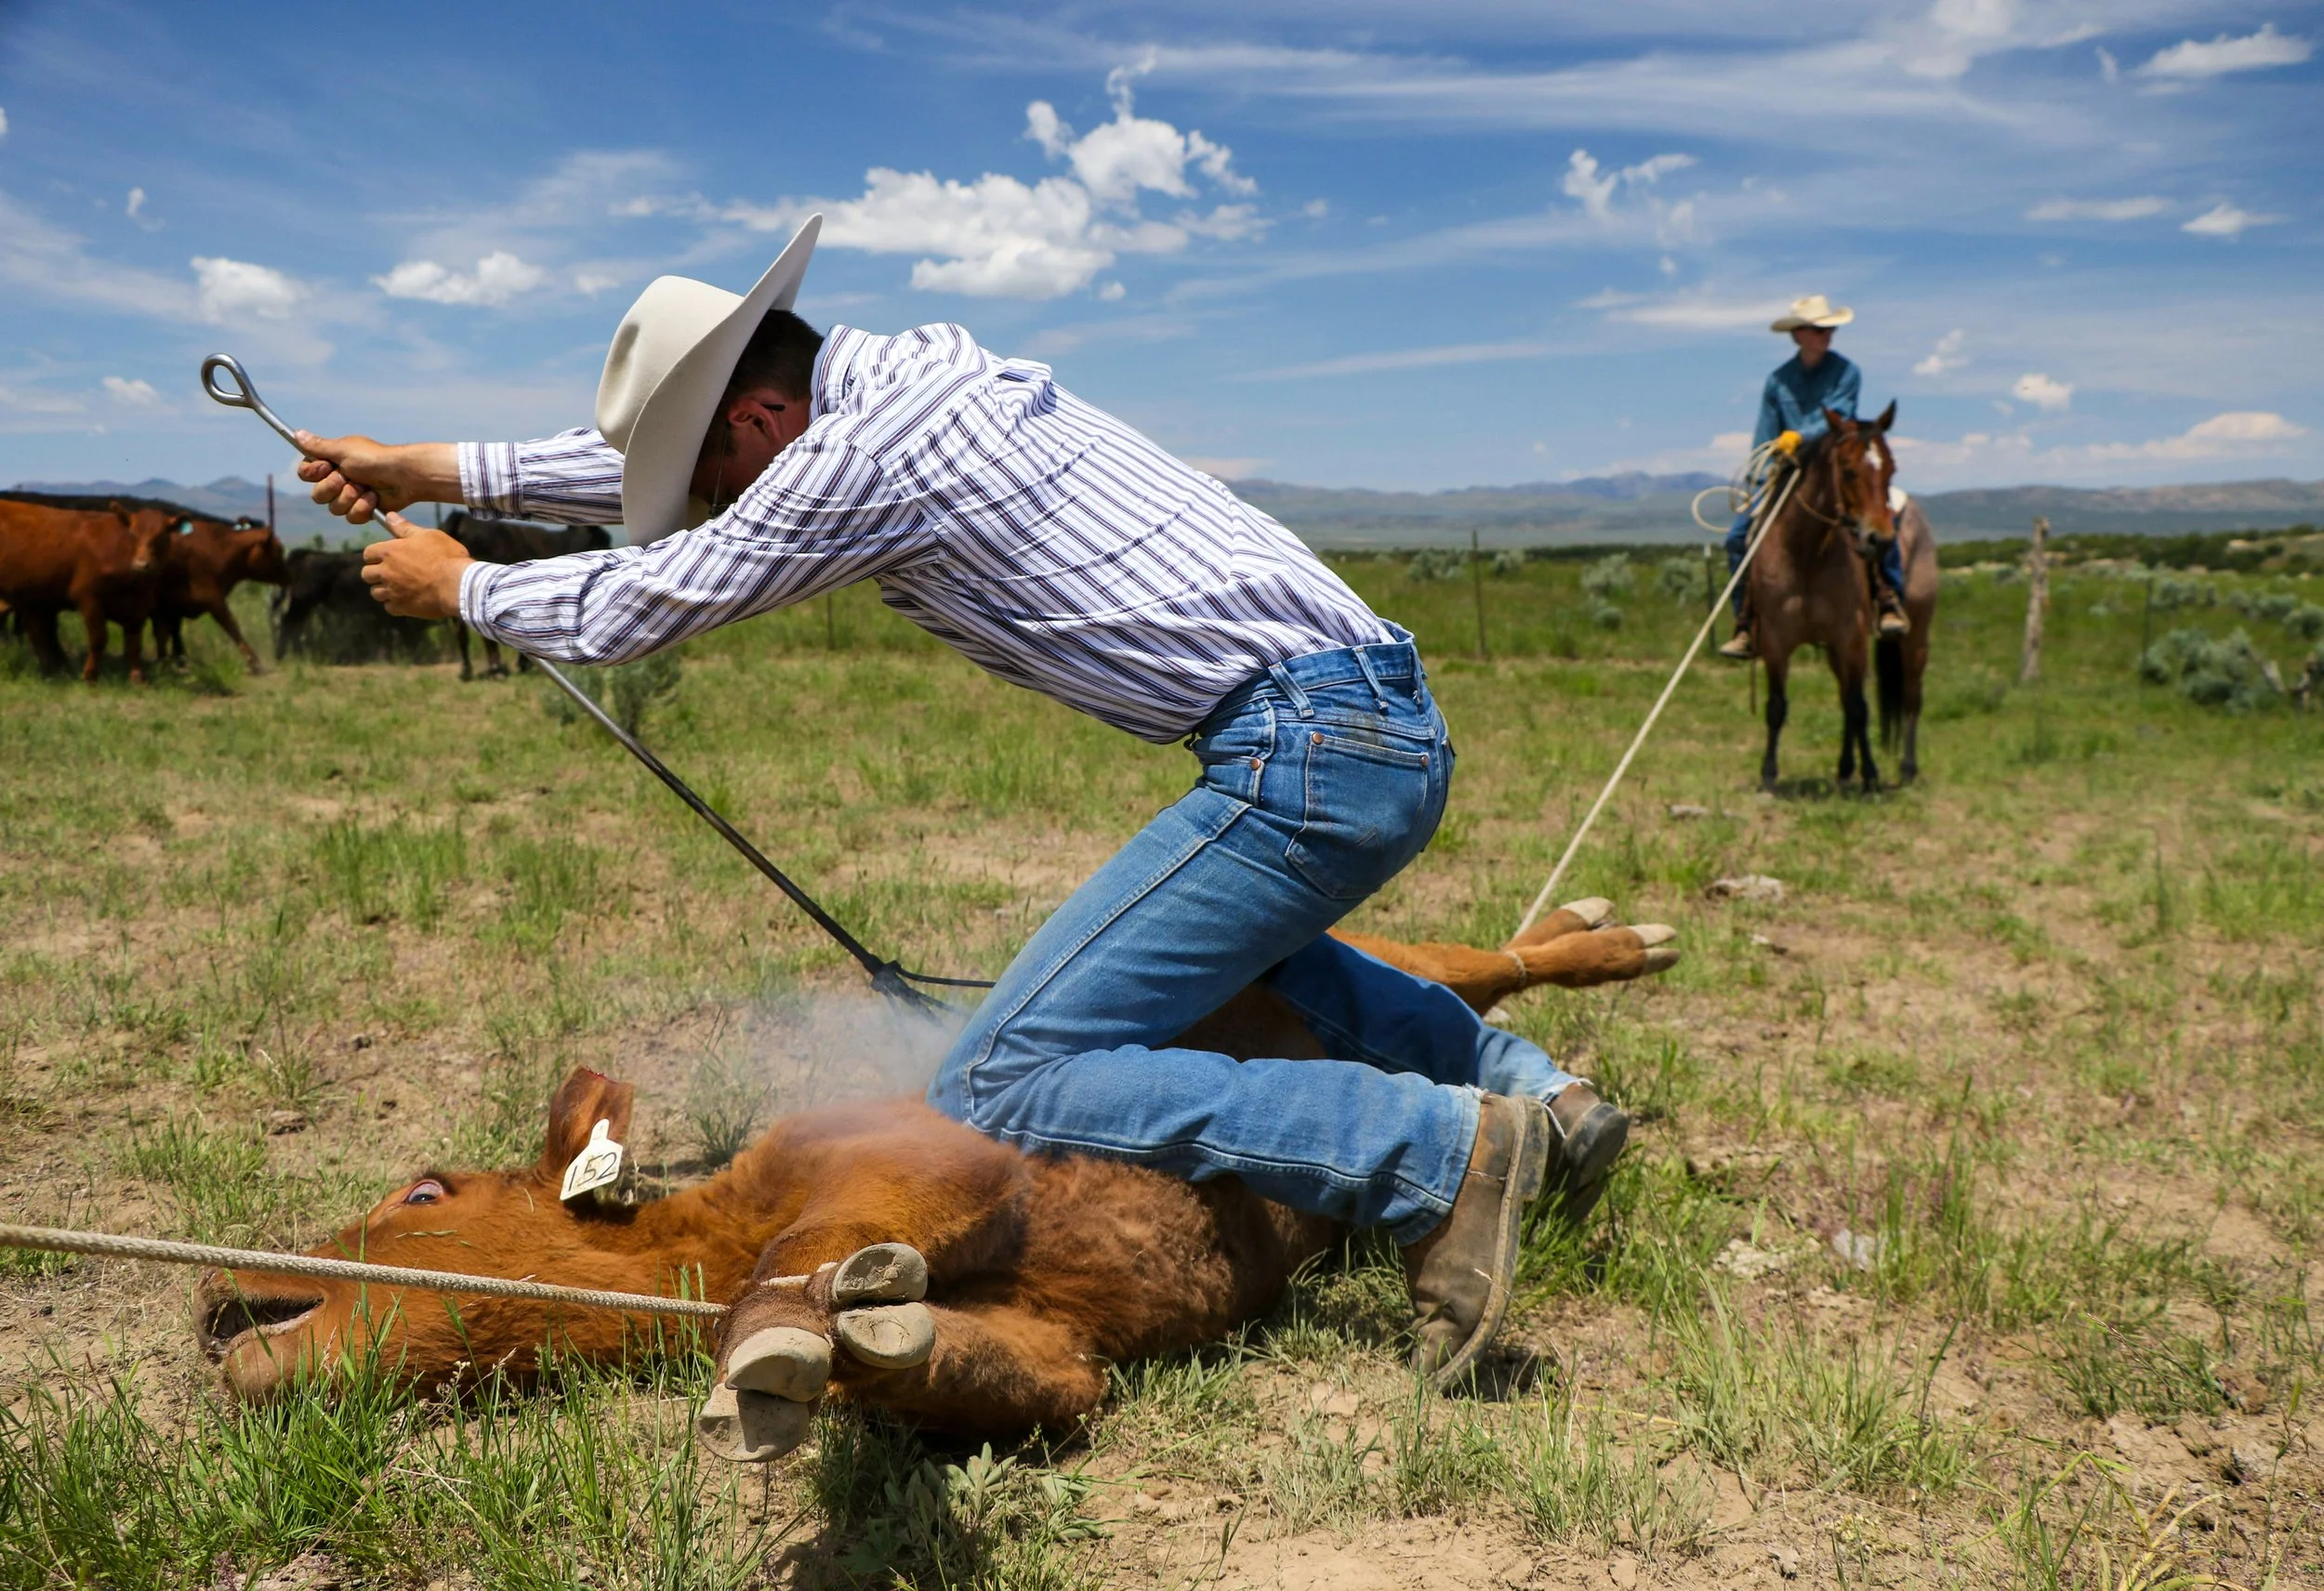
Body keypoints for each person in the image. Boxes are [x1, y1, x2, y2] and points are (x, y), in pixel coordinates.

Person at [299, 217, 1631, 1389]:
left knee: (1008, 1068)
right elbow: (655, 479)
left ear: (758, 422)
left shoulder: (855, 455)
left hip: (1306, 752)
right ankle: (1536, 1091)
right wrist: (427, 466)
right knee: (1262, 953)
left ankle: (1436, 1155)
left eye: (718, 481)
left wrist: (465, 589)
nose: (721, 507)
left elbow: (656, 594)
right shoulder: (896, 386)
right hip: (1359, 724)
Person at [1717, 295, 1907, 661]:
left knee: (1881, 519)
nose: (1827, 335)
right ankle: (1746, 623)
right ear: (1799, 334)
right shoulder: (1778, 381)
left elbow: (1840, 417)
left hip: (1836, 465)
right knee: (1738, 537)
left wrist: (1799, 436)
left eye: (1829, 329)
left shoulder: (1847, 372)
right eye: (1819, 329)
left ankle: (1888, 601)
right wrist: (1765, 469)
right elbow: (1765, 432)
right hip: (1789, 472)